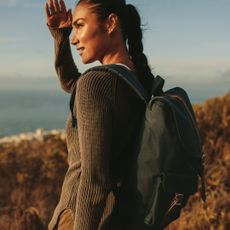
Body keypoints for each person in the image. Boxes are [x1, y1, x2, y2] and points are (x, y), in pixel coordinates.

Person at [45, 0, 154, 229]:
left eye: (80, 26)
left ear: (111, 23)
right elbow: (74, 85)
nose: (75, 38)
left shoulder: (96, 83)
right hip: (118, 217)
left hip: (81, 218)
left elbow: (94, 182)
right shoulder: (137, 80)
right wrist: (61, 37)